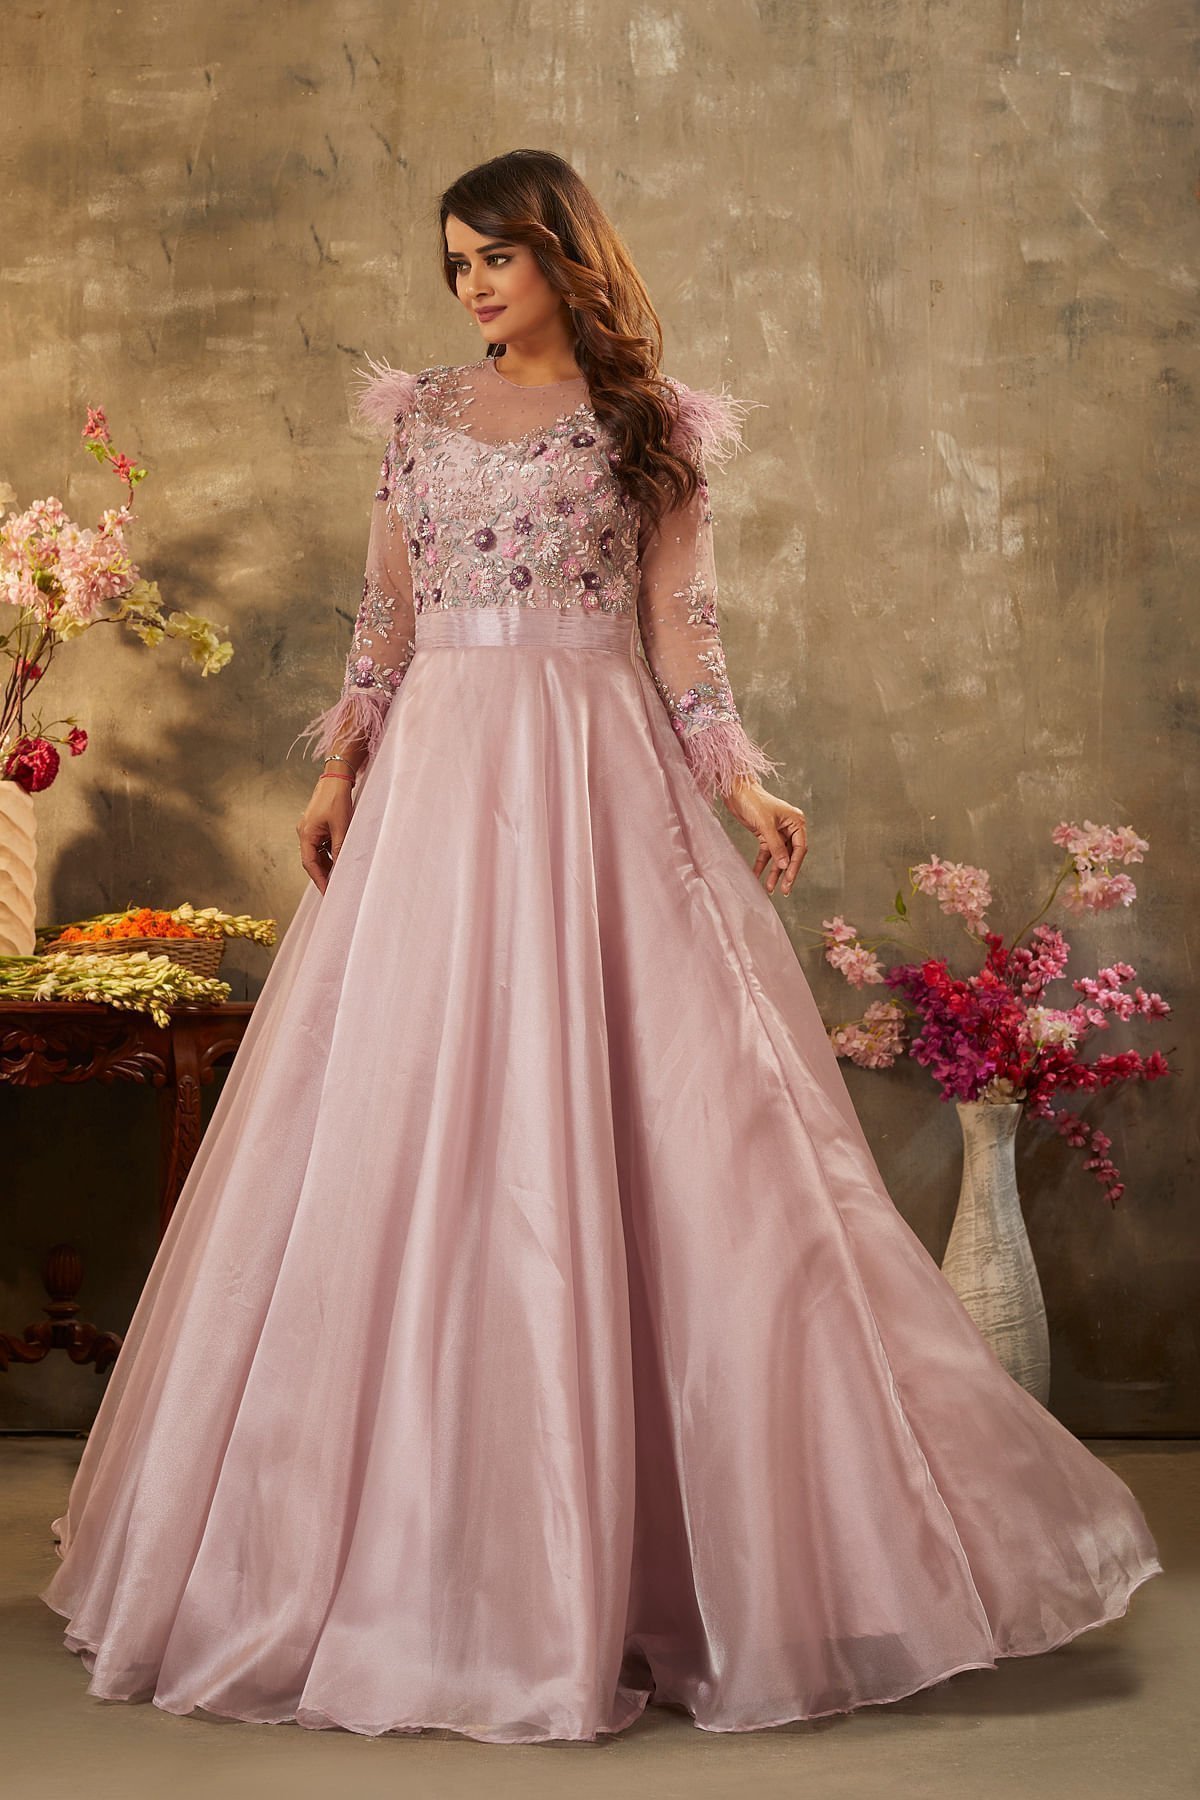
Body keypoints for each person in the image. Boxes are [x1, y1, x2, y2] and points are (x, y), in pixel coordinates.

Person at [39, 150, 1161, 1747]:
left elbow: (684, 637)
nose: (472, 288)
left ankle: (667, 1562)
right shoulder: (418, 420)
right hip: (440, 790)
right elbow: (385, 619)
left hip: (596, 779)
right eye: (453, 265)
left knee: (675, 1136)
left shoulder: (650, 429)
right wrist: (341, 766)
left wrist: (742, 782)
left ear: (563, 254)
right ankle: (411, 1558)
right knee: (411, 1121)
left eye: (493, 257)